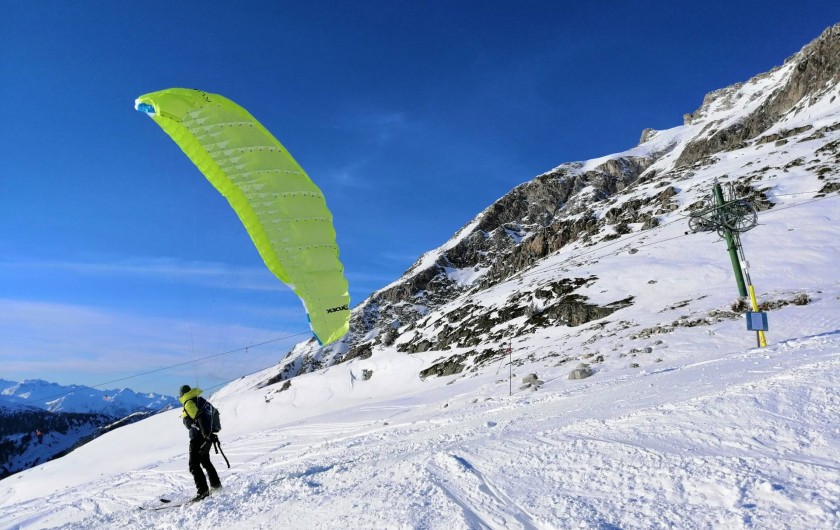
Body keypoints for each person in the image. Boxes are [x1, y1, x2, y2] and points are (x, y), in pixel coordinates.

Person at [179, 385, 221, 501]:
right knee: (205, 461)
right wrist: (207, 435)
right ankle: (216, 486)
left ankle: (203, 492)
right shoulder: (199, 400)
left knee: (193, 465)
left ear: (182, 394)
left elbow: (199, 416)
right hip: (207, 436)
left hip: (199, 437)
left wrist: (204, 433)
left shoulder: (188, 403)